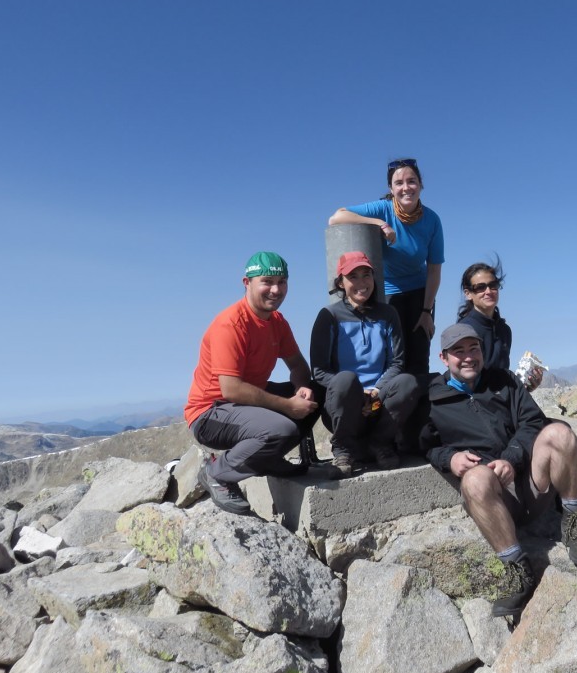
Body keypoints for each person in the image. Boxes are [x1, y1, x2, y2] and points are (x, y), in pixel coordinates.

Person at [421, 323, 577, 617]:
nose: (467, 357)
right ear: (444, 358)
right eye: (458, 351)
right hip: (496, 496)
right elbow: (425, 445)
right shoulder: (432, 398)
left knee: (560, 434)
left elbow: (532, 421)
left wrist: (512, 458)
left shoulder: (503, 381)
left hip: (529, 480)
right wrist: (449, 458)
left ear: (482, 350)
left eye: (473, 349)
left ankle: (574, 520)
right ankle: (517, 569)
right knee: (474, 480)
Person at [185, 251, 319, 516]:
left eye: (282, 282)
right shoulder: (231, 324)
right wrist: (288, 406)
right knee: (280, 429)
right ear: (247, 283)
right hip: (210, 413)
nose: (275, 289)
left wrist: (301, 387)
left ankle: (266, 460)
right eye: (267, 281)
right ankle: (217, 473)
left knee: (319, 393)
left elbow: (298, 366)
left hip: (241, 404)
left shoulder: (277, 322)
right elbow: (231, 389)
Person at [328, 158, 444, 378]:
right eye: (398, 183)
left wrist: (427, 312)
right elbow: (337, 217)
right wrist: (379, 224)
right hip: (387, 293)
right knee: (392, 357)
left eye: (411, 181)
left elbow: (434, 270)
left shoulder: (432, 220)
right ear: (391, 189)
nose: (406, 187)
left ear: (420, 185)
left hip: (421, 294)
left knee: (419, 358)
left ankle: (421, 408)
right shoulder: (382, 209)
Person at [310, 251, 419, 478]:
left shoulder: (388, 314)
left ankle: (380, 442)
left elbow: (397, 362)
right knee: (345, 379)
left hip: (379, 400)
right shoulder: (329, 316)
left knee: (408, 382)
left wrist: (376, 391)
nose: (362, 283)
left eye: (366, 275)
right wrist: (360, 393)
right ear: (341, 282)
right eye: (353, 276)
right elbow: (319, 371)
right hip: (344, 404)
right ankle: (343, 449)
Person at [456, 257, 543, 390]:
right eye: (480, 287)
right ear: (468, 294)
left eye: (493, 285)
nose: (488, 291)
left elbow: (500, 376)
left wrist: (525, 387)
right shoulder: (464, 330)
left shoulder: (504, 330)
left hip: (500, 402)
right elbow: (466, 381)